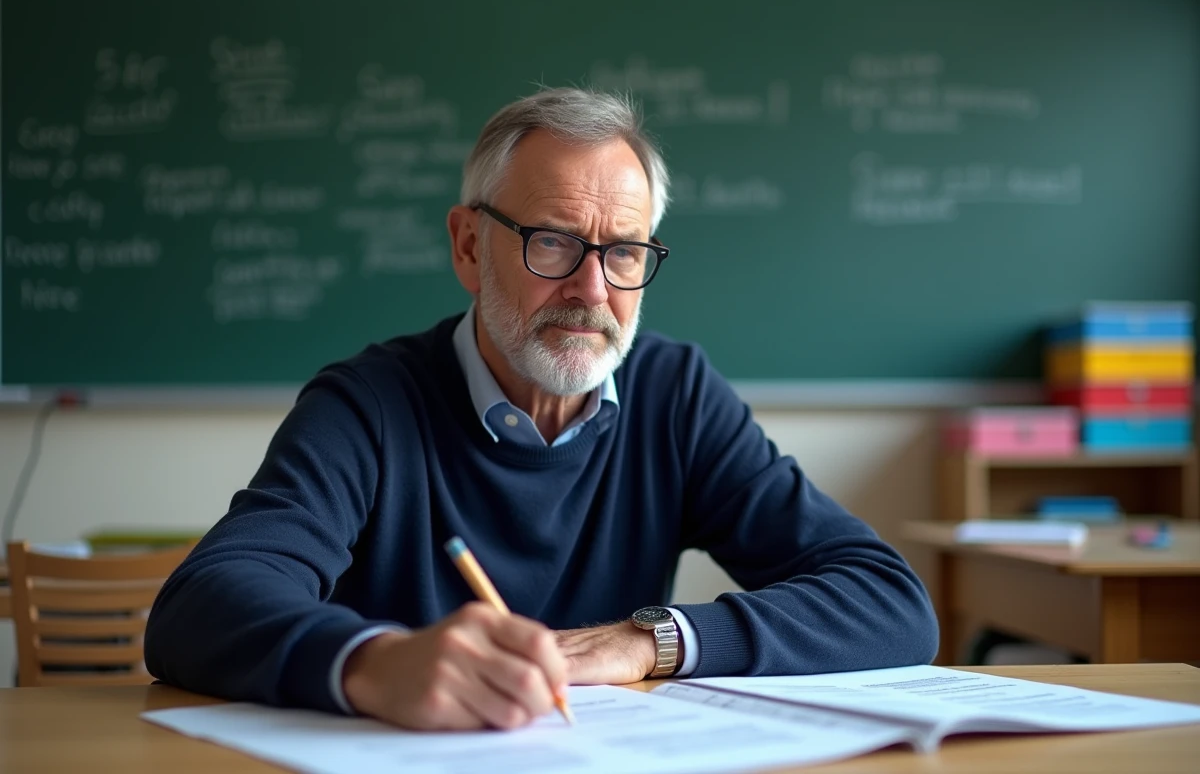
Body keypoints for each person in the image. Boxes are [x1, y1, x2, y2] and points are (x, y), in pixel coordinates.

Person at [145, 87, 937, 731]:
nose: (592, 291)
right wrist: (375, 662)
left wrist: (651, 640)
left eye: (623, 251)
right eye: (552, 242)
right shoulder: (370, 405)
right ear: (468, 246)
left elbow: (888, 601)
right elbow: (199, 607)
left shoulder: (677, 396)